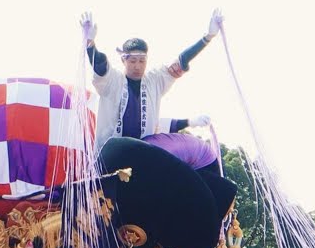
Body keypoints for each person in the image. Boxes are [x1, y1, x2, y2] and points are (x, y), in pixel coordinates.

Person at [80, 10, 222, 148]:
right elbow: (100, 65)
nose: (137, 66)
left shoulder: (154, 81)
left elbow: (181, 61)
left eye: (142, 61)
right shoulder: (113, 81)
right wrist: (91, 44)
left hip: (142, 154)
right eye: (133, 61)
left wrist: (208, 37)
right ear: (124, 60)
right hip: (110, 155)